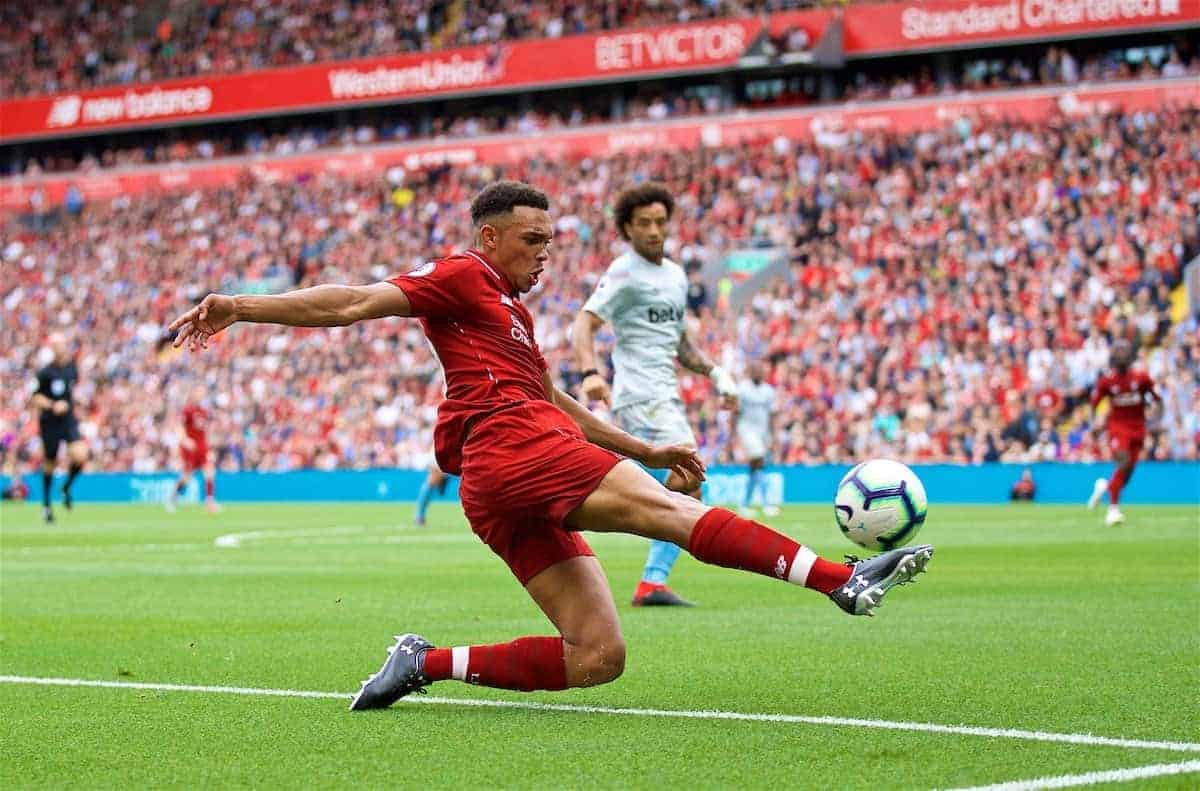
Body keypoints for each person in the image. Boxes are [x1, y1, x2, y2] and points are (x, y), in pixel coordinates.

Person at [169, 181, 933, 712]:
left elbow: (558, 401)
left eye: (551, 241)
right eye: (532, 240)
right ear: (489, 236)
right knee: (666, 513)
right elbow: (356, 301)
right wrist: (241, 305)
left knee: (598, 655)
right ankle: (841, 577)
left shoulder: (511, 316)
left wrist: (649, 445)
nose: (545, 254)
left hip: (501, 476)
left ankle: (422, 661)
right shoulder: (462, 275)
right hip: (508, 448)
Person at [572, 182, 739, 607]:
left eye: (660, 222)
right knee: (691, 479)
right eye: (643, 223)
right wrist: (591, 372)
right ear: (627, 228)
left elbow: (680, 345)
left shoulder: (676, 275)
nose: (653, 230)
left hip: (665, 395)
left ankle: (648, 576)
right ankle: (650, 578)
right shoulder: (625, 272)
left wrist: (716, 373)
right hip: (640, 396)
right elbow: (584, 323)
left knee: (683, 487)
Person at [1086, 340, 1159, 525]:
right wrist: (1093, 424)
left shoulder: (1141, 378)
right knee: (1123, 461)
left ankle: (1104, 487)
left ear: (1131, 355)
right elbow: (1093, 405)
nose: (1121, 355)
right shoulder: (1107, 382)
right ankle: (1113, 510)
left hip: (1138, 429)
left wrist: (1157, 418)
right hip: (1117, 428)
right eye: (1118, 351)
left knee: (1126, 472)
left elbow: (1156, 398)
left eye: (1124, 351)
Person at [30, 333, 88, 523]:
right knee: (50, 463)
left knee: (80, 455)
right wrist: (52, 405)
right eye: (55, 345)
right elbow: (35, 397)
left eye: (61, 344)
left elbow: (73, 388)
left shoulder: (72, 368)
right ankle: (46, 506)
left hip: (68, 420)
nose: (59, 348)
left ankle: (66, 487)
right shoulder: (45, 372)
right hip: (50, 422)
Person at [167, 385, 219, 514]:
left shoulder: (204, 411)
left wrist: (209, 447)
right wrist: (184, 440)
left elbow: (205, 431)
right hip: (190, 448)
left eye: (203, 392)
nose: (201, 395)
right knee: (187, 477)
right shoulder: (187, 410)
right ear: (193, 394)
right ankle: (173, 498)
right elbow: (179, 426)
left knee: (210, 472)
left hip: (202, 446)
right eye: (199, 392)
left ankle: (210, 501)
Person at [737, 362, 779, 517]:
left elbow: (772, 415)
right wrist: (732, 437)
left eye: (760, 371)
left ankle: (744, 504)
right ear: (750, 372)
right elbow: (736, 413)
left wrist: (773, 437)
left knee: (754, 466)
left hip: (762, 432)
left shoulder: (768, 391)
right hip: (746, 429)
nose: (758, 373)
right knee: (759, 459)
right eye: (755, 370)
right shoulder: (742, 389)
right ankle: (766, 503)